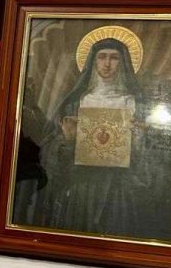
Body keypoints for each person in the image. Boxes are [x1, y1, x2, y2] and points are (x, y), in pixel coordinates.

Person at [36, 32, 146, 238]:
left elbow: (153, 158)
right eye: (102, 57)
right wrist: (66, 140)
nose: (107, 64)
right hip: (81, 185)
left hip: (118, 188)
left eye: (114, 58)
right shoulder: (75, 102)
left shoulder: (136, 103)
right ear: (93, 61)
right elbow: (49, 150)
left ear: (123, 63)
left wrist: (139, 140)